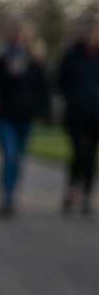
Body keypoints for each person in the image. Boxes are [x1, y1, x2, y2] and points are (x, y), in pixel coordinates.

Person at [0, 20, 51, 217]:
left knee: (19, 158)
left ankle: (11, 195)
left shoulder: (36, 60)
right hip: (5, 115)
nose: (21, 37)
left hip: (26, 116)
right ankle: (7, 197)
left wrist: (45, 113)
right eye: (17, 32)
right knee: (10, 155)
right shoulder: (0, 57)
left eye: (25, 33)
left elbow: (42, 90)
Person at [58, 15, 99, 216]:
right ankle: (72, 191)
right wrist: (76, 97)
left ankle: (86, 196)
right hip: (77, 112)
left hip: (96, 113)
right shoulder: (72, 53)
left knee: (91, 155)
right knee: (79, 153)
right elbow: (61, 81)